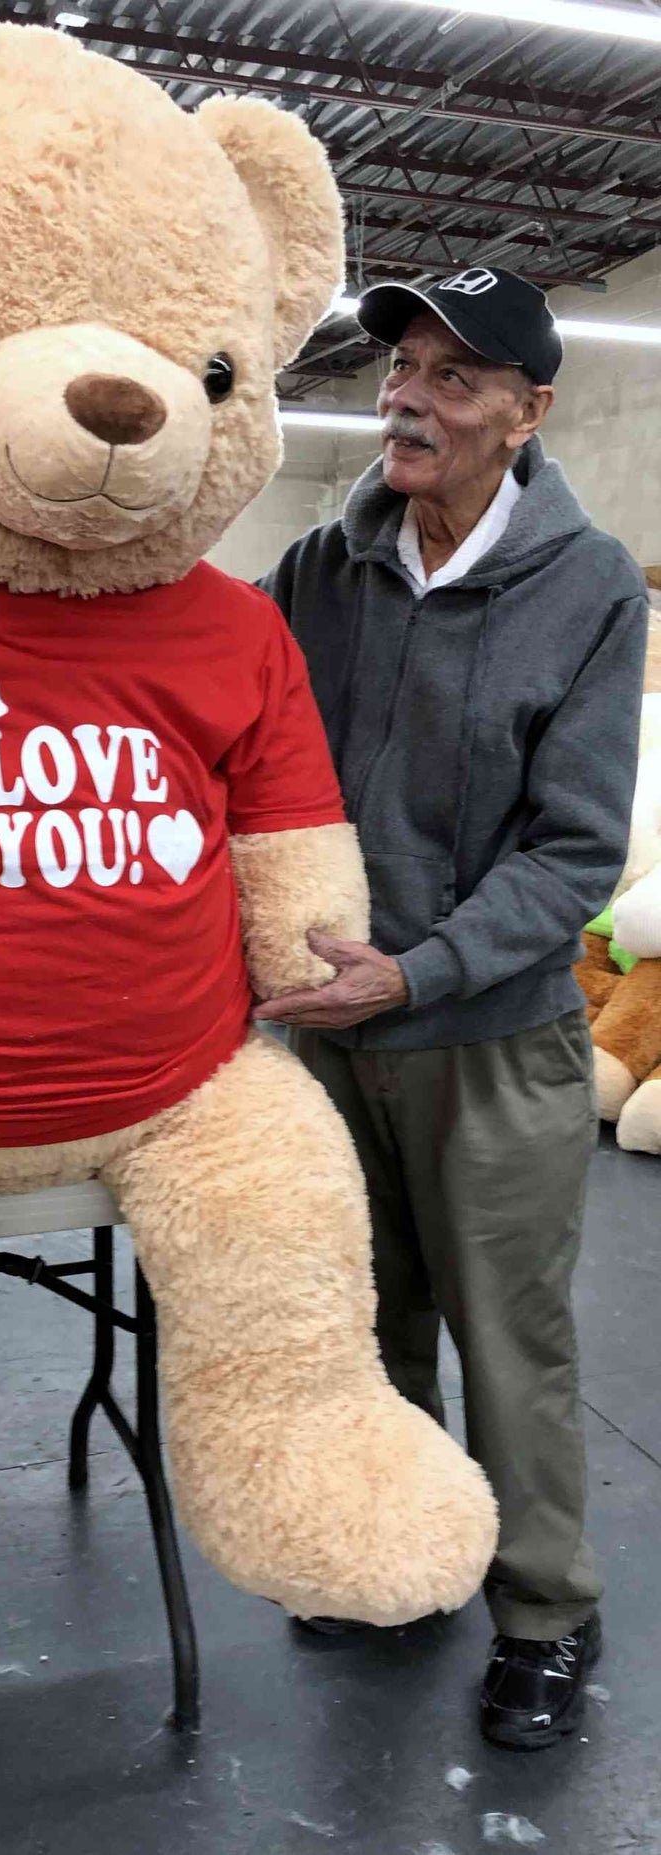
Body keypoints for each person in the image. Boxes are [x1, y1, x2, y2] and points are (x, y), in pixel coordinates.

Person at [257, 266, 648, 1750]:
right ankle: (404, 1560)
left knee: (510, 1339)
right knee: (369, 1324)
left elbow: (572, 858)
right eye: (402, 365)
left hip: (486, 1041)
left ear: (528, 412)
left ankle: (546, 1611)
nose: (409, 396)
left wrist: (415, 970)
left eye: (456, 376)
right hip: (329, 1032)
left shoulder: (592, 586)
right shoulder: (320, 566)